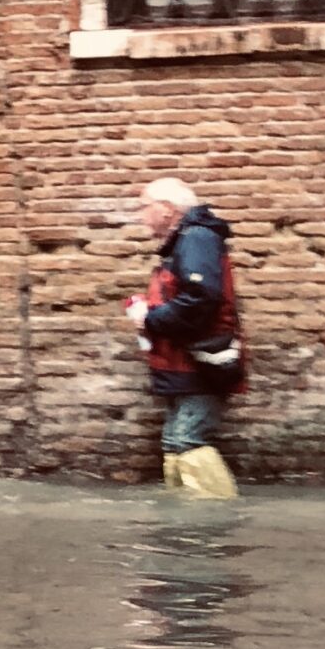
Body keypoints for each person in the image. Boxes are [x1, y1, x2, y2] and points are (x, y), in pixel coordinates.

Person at [126, 175, 243, 498]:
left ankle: (210, 521)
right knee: (175, 441)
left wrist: (151, 320)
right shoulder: (188, 241)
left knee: (188, 440)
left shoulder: (196, 238)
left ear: (167, 210)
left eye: (144, 207)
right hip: (184, 362)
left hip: (198, 362)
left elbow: (201, 297)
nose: (141, 216)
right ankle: (183, 522)